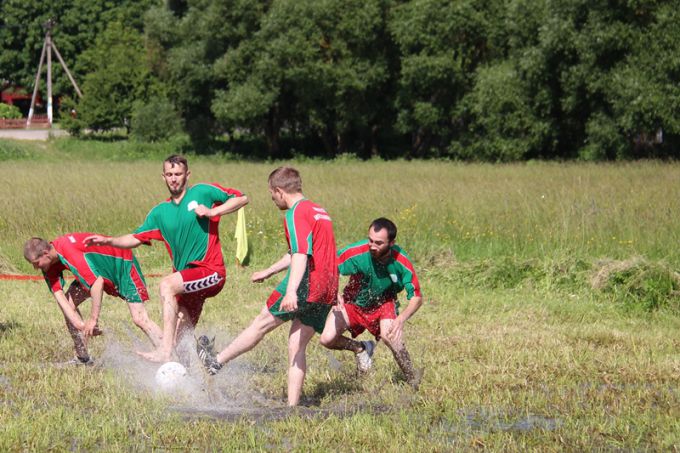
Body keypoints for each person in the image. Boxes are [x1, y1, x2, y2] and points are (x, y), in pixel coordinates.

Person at [84, 154, 248, 363]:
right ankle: (200, 372)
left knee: (166, 285)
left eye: (178, 174)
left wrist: (212, 211)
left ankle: (164, 350)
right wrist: (108, 241)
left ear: (187, 175)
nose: (174, 179)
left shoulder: (202, 192)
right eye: (169, 174)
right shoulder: (159, 212)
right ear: (163, 177)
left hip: (211, 271)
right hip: (187, 283)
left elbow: (241, 198)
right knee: (181, 344)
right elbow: (135, 238)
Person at [197, 166, 338, 406]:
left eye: (272, 194)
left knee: (262, 323)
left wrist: (292, 290)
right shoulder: (318, 210)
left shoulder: (295, 214)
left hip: (307, 282)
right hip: (328, 287)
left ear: (279, 191)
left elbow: (301, 255)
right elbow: (299, 251)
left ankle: (216, 361)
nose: (272, 199)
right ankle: (292, 408)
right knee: (296, 345)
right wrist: (269, 271)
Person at [23, 234, 163, 364]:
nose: (35, 268)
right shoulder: (49, 264)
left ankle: (167, 352)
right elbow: (59, 296)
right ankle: (82, 358)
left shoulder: (68, 251)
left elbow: (97, 283)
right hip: (98, 271)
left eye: (36, 263)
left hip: (122, 265)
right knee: (69, 302)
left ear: (46, 253)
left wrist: (93, 320)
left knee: (140, 318)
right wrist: (82, 326)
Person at [319, 218, 424, 389]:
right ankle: (361, 348)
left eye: (379, 243)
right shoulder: (358, 252)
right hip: (353, 303)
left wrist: (401, 319)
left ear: (392, 243)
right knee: (326, 338)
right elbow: (329, 265)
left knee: (392, 339)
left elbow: (417, 298)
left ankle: (413, 381)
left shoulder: (400, 261)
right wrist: (333, 290)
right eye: (370, 240)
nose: (372, 246)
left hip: (384, 304)